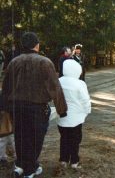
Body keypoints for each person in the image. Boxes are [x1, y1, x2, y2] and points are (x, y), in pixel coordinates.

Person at [2, 32, 68, 178]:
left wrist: (4, 108)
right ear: (37, 45)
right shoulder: (45, 62)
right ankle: (30, 170)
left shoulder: (14, 62)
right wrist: (62, 109)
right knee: (35, 139)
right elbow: (55, 88)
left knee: (20, 136)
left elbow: (6, 88)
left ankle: (20, 165)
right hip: (37, 108)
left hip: (16, 107)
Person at [57, 59, 91, 169]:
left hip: (62, 116)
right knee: (75, 140)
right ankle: (74, 161)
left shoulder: (59, 81)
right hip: (76, 118)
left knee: (64, 138)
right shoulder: (80, 83)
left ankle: (63, 159)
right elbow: (85, 100)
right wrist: (87, 110)